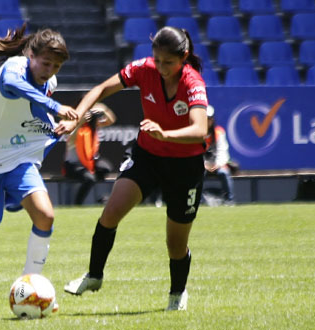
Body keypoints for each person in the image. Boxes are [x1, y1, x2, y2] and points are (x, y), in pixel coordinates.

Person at [64, 26, 208, 311]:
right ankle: (94, 276)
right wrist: (77, 117)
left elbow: (200, 129)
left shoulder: (193, 82)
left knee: (175, 244)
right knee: (111, 212)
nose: (162, 67)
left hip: (185, 167)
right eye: (158, 59)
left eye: (169, 62)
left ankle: (177, 293)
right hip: (148, 158)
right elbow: (102, 89)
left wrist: (166, 134)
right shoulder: (143, 69)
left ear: (184, 57)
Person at [0, 24, 78, 319]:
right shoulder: (14, 68)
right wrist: (54, 107)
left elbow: (37, 114)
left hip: (18, 158)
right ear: (30, 54)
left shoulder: (50, 84)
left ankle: (29, 290)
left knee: (45, 215)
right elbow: (15, 89)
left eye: (56, 65)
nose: (49, 70)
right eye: (45, 62)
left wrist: (59, 124)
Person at [63, 102, 116, 205]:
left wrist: (103, 110)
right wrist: (80, 122)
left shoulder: (93, 126)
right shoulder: (74, 126)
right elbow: (71, 138)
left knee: (105, 168)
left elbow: (111, 120)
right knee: (89, 179)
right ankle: (77, 204)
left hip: (89, 162)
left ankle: (103, 198)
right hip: (73, 165)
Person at [203, 105, 235, 206]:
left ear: (212, 119)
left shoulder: (218, 132)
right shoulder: (197, 133)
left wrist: (217, 164)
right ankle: (198, 201)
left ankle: (229, 200)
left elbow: (223, 151)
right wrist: (204, 164)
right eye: (204, 118)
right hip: (202, 166)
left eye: (209, 118)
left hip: (217, 165)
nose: (207, 121)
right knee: (197, 174)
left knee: (224, 173)